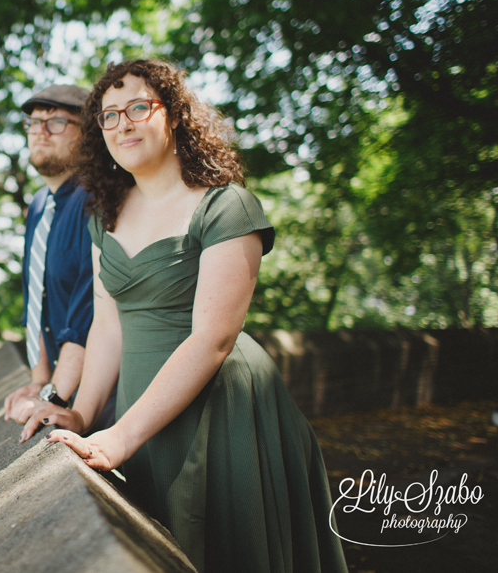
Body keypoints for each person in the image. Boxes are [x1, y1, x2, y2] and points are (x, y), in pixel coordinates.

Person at [22, 60, 346, 573]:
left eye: (137, 108)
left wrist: (120, 437)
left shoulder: (227, 206)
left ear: (173, 115)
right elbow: (107, 324)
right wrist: (83, 416)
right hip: (139, 409)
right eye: (109, 116)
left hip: (224, 411)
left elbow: (212, 341)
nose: (123, 124)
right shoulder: (102, 214)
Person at [3, 84, 114, 432]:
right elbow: (35, 297)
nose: (40, 133)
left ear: (89, 134)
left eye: (56, 122)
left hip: (107, 394)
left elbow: (88, 311)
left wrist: (53, 397)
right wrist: (39, 380)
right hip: (63, 385)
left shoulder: (98, 198)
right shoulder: (38, 205)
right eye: (34, 123)